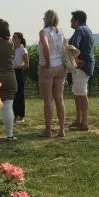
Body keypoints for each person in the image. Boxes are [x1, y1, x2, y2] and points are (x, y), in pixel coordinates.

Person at [38, 9, 66, 138]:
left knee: (48, 100)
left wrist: (48, 63)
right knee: (59, 99)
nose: (43, 18)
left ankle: (48, 131)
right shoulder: (60, 32)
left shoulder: (44, 32)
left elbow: (45, 47)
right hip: (60, 67)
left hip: (49, 69)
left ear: (47, 18)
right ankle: (61, 130)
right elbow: (65, 48)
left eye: (44, 16)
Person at [69, 10, 94, 131]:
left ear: (77, 20)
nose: (70, 22)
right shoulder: (87, 30)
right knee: (78, 93)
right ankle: (79, 120)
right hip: (85, 65)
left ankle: (84, 123)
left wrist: (75, 60)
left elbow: (74, 45)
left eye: (72, 19)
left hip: (81, 66)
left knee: (82, 93)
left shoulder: (79, 30)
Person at [12, 32, 29, 122]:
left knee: (20, 94)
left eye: (14, 37)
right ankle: (16, 115)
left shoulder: (23, 50)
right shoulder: (12, 49)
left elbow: (27, 64)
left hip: (19, 72)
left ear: (19, 39)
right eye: (13, 37)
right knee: (14, 94)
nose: (12, 38)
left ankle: (21, 116)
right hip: (12, 72)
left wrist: (18, 67)